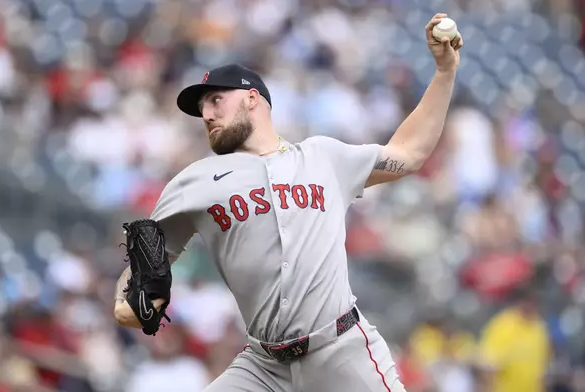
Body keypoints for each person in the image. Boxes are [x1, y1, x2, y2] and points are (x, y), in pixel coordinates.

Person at [113, 12, 463, 392]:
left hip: (341, 353)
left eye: (215, 100)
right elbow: (141, 270)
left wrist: (444, 73)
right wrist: (125, 303)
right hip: (263, 368)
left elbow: (408, 153)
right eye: (202, 109)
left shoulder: (323, 157)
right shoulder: (193, 182)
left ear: (252, 99)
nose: (207, 114)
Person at [476, 285, 551, 392]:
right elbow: (488, 365)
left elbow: (542, 367)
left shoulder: (539, 328)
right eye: (527, 302)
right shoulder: (502, 326)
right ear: (518, 303)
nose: (531, 307)